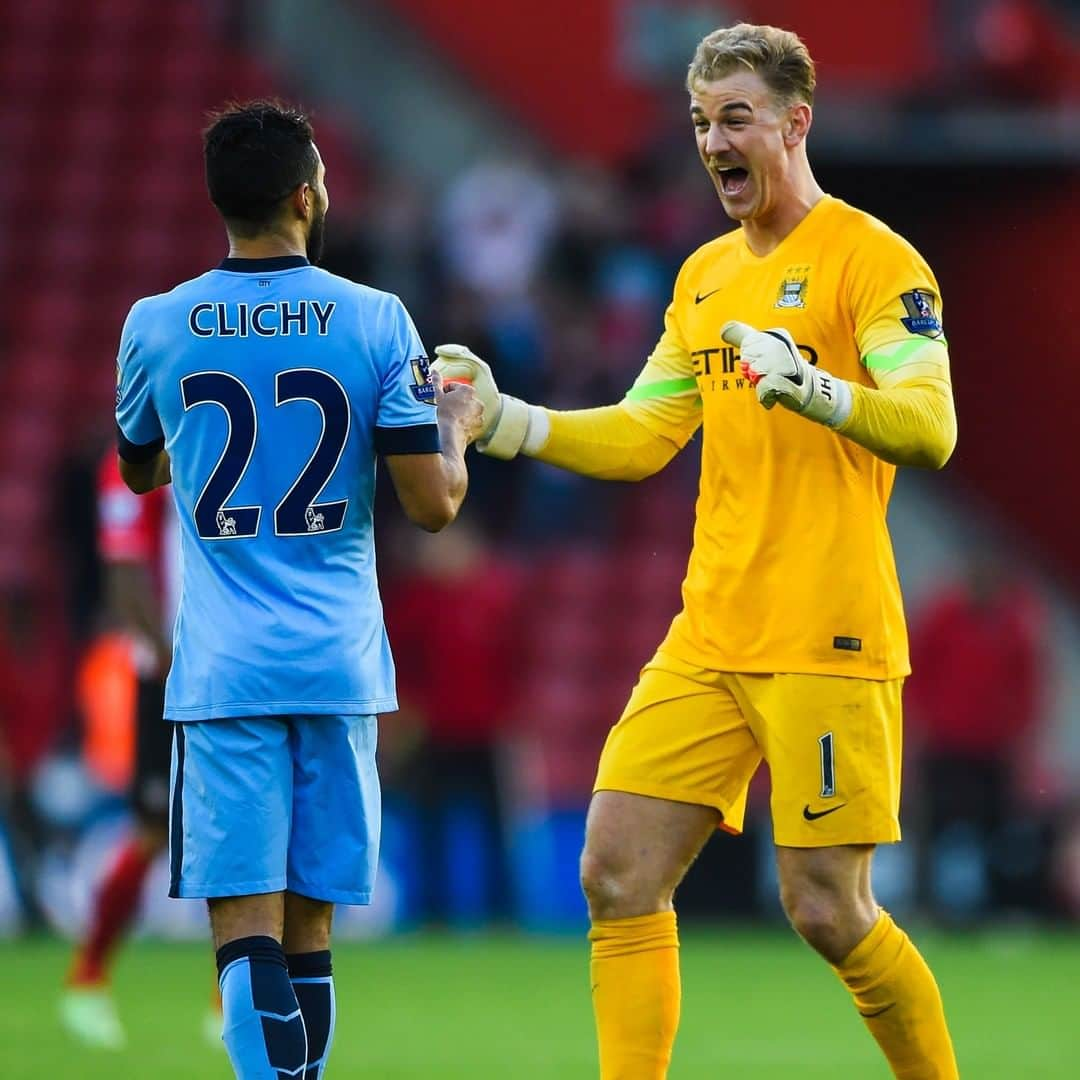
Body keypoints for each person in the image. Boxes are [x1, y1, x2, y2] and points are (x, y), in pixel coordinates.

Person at [434, 23, 959, 1079]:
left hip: (827, 633)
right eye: (700, 124)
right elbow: (643, 432)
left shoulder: (875, 259)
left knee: (827, 909)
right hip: (712, 633)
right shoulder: (706, 280)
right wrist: (505, 421)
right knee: (616, 872)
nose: (715, 142)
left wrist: (810, 385)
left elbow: (931, 423)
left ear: (794, 123)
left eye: (736, 119)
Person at [113, 100, 483, 1079]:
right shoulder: (375, 320)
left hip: (227, 669)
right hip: (337, 661)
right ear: (308, 196)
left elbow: (140, 469)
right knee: (311, 927)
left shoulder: (156, 326)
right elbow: (434, 507)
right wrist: (454, 423)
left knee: (244, 929)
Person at [60, 452, 203, 1047]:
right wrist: (171, 662)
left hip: (233, 670)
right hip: (167, 674)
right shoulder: (127, 465)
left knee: (253, 827)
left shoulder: (216, 435)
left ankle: (233, 1000)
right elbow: (123, 573)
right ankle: (88, 975)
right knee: (153, 832)